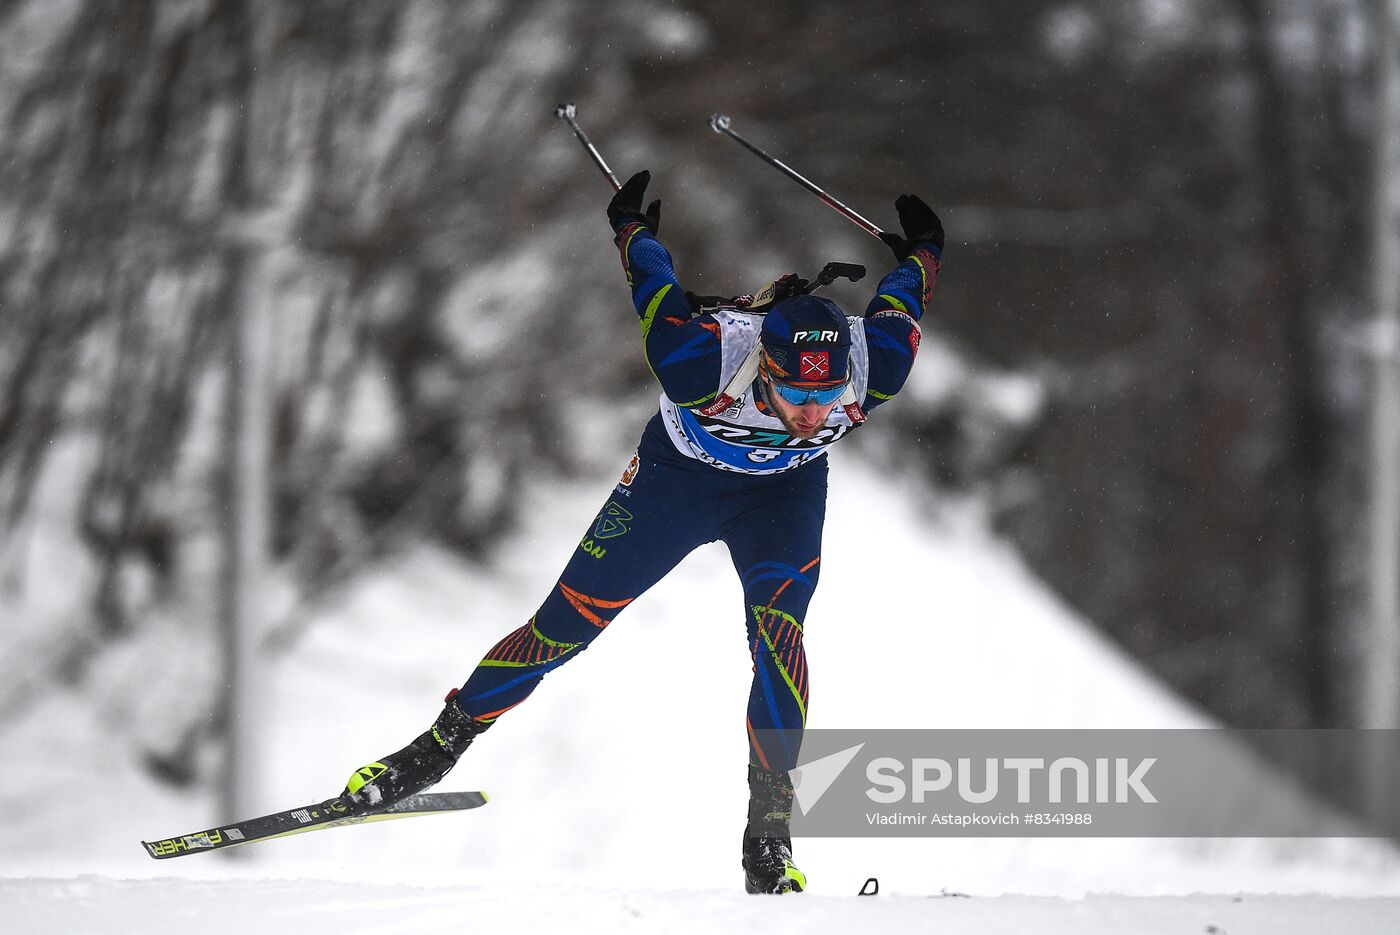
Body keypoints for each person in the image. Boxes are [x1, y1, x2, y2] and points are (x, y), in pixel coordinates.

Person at [341, 170, 944, 894]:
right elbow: (654, 291)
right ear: (765, 367)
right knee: (565, 625)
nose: (814, 412)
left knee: (779, 640)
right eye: (795, 393)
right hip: (675, 484)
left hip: (781, 498)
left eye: (826, 395)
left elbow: (905, 295)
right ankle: (431, 751)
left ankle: (769, 838)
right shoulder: (704, 360)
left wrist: (924, 253)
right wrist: (633, 230)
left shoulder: (877, 365)